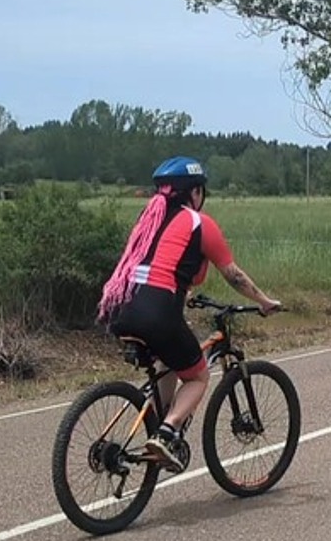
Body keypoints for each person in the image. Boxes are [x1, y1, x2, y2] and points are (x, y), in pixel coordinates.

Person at [96, 156, 281, 471]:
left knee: (168, 363)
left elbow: (154, 267)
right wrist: (264, 300)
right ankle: (167, 433)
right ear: (194, 193)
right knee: (197, 376)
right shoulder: (199, 223)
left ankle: (157, 428)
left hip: (122, 309)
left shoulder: (149, 218)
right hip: (156, 312)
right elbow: (233, 274)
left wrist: (182, 292)